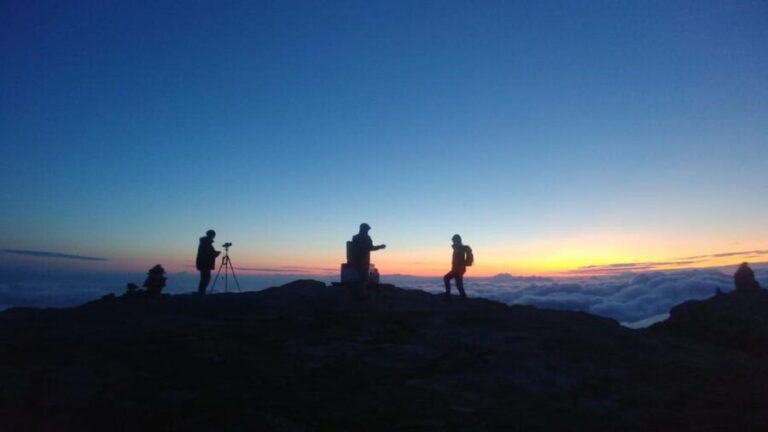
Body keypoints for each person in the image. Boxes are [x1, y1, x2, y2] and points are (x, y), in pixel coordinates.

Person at [350, 223, 386, 290]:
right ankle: (362, 295)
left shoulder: (358, 237)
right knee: (363, 279)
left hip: (361, 260)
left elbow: (370, 248)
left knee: (362, 279)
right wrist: (380, 247)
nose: (367, 231)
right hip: (360, 261)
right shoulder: (360, 238)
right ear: (363, 229)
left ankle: (361, 294)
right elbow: (370, 248)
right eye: (367, 230)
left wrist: (379, 247)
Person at [444, 234, 470, 302]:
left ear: (457, 240)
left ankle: (448, 296)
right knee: (458, 285)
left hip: (458, 269)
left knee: (446, 278)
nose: (453, 241)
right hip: (458, 269)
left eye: (454, 240)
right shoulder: (459, 248)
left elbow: (458, 259)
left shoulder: (460, 248)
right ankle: (463, 298)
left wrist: (458, 267)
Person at [196, 230, 221, 295]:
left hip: (203, 263)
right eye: (213, 235)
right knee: (205, 279)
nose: (214, 237)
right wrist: (216, 254)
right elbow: (209, 253)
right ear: (211, 235)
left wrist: (215, 253)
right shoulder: (206, 243)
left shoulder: (205, 242)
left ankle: (201, 293)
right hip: (205, 264)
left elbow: (209, 252)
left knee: (205, 279)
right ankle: (201, 294)